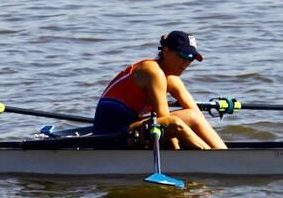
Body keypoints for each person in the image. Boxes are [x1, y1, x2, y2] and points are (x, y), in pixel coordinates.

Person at [93, 31, 227, 149]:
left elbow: (197, 117)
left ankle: (223, 153)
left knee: (193, 116)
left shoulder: (171, 79)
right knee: (175, 123)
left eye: (191, 58)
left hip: (132, 128)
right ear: (166, 51)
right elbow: (167, 123)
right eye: (183, 55)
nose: (186, 62)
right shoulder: (153, 72)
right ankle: (212, 158)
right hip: (110, 134)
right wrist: (176, 153)